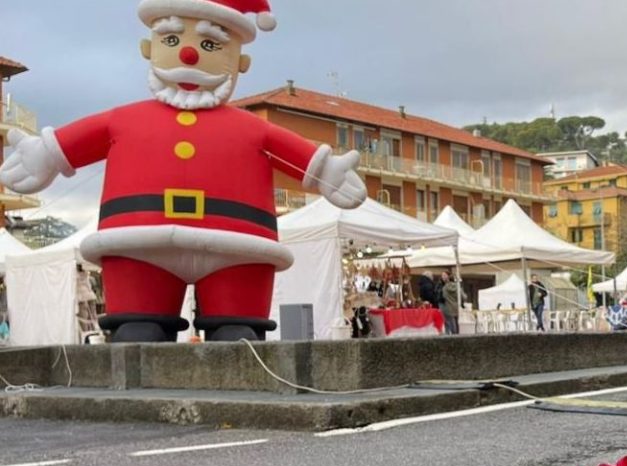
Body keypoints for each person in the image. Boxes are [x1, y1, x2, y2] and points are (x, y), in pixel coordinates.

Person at [0, 0, 366, 343]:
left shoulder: (253, 130)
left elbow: (300, 156)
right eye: (172, 40)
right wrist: (45, 154)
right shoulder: (124, 120)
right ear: (149, 47)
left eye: (209, 45)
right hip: (141, 243)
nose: (188, 55)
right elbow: (74, 142)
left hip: (235, 246)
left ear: (241, 62)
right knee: (136, 333)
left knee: (238, 336)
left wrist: (328, 172)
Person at [441, 269, 466, 335]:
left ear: (448, 276)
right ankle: (457, 337)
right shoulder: (457, 286)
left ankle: (453, 338)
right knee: (456, 325)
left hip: (448, 308)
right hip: (456, 307)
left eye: (444, 275)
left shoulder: (444, 288)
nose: (442, 277)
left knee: (451, 326)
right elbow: (464, 297)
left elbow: (443, 297)